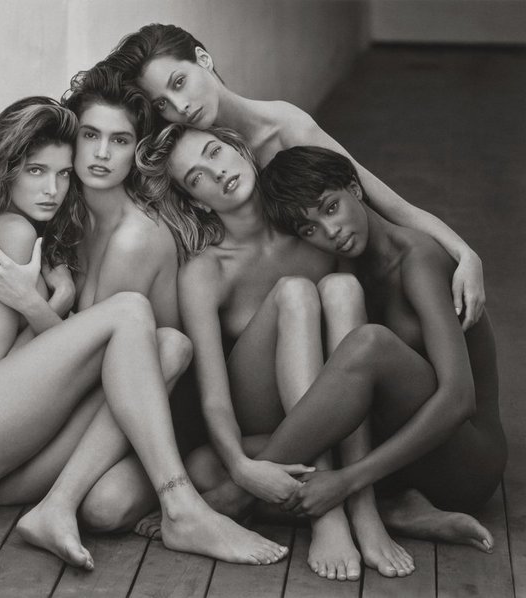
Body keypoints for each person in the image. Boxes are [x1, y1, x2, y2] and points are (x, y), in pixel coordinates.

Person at [0, 96, 289, 571]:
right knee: (130, 312)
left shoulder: (47, 231)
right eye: (35, 171)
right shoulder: (12, 231)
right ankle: (182, 507)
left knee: (171, 347)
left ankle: (56, 507)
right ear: (5, 172)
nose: (52, 189)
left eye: (62, 174)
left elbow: (31, 389)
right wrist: (46, 307)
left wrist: (48, 309)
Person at [135, 123, 415, 581]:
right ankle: (326, 515)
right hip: (263, 417)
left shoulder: (308, 227)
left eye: (215, 152)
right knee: (294, 293)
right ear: (197, 201)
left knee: (343, 288)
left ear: (240, 149)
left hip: (339, 412)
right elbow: (214, 397)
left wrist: (463, 255)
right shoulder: (206, 270)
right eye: (197, 177)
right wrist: (240, 468)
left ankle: (364, 509)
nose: (217, 172)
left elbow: (351, 354)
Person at [104, 23, 485, 330]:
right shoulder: (187, 159)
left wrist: (465, 254)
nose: (180, 106)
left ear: (202, 59)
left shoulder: (286, 129)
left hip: (345, 287)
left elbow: (385, 201)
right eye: (163, 103)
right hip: (267, 312)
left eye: (179, 82)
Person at [256, 145, 506, 550]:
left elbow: (459, 399)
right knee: (209, 462)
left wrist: (347, 480)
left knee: (371, 344)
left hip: (467, 463)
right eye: (309, 229)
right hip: (404, 460)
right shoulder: (346, 272)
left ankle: (238, 497)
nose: (330, 231)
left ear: (355, 189)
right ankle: (397, 509)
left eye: (331, 207)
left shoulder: (418, 259)